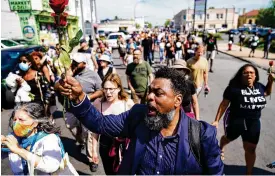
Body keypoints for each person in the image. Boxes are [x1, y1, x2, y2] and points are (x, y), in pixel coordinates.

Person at [55, 67, 224, 175]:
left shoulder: (202, 135)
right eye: (150, 91)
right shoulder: (137, 116)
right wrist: (79, 97)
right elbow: (99, 123)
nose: (150, 97)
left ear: (177, 101)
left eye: (158, 93)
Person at [212, 64, 274, 175]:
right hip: (236, 121)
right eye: (246, 72)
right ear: (241, 75)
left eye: (252, 73)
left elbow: (266, 93)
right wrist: (216, 120)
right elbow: (224, 104)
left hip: (254, 122)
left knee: (250, 149)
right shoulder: (233, 88)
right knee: (228, 138)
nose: (249, 75)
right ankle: (221, 145)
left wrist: (270, 82)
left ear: (255, 76)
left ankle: (248, 173)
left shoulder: (259, 86)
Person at [1, 103, 77, 175]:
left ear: (35, 123)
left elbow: (51, 166)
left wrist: (19, 150)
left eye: (21, 120)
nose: (16, 123)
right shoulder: (13, 138)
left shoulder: (49, 139)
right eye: (15, 120)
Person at [62, 54, 103, 172]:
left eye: (77, 62)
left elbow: (101, 90)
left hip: (86, 109)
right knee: (71, 126)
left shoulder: (93, 75)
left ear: (84, 64)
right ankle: (80, 141)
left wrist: (89, 97)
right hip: (70, 108)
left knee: (90, 135)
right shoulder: (69, 72)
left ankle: (92, 159)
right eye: (73, 61)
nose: (74, 63)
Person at [92, 74, 135, 175]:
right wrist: (94, 150)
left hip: (124, 146)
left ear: (119, 88)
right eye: (105, 89)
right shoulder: (98, 103)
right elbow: (95, 130)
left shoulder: (128, 103)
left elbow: (135, 128)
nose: (108, 92)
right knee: (110, 173)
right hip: (105, 145)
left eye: (111, 89)